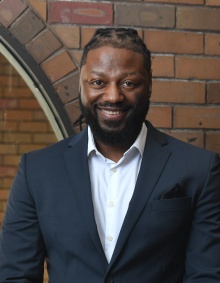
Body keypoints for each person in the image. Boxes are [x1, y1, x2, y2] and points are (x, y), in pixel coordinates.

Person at [0, 28, 220, 283]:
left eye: (128, 83)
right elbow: (16, 275)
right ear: (82, 85)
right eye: (98, 82)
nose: (113, 96)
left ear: (149, 85)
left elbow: (207, 276)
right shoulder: (37, 170)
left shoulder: (199, 168)